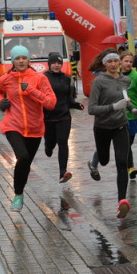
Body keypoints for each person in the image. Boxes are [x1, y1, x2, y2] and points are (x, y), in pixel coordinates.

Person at [0, 45, 57, 212]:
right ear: (13, 61)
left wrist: (31, 90)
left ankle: (19, 192)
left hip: (35, 128)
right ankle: (18, 194)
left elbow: (50, 103)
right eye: (17, 58)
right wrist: (0, 102)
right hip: (12, 125)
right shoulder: (7, 78)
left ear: (29, 60)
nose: (21, 61)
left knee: (26, 162)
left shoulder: (39, 78)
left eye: (24, 58)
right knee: (22, 156)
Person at [86, 51, 133, 217]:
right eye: (110, 62)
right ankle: (94, 163)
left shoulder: (125, 80)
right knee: (104, 160)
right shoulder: (99, 81)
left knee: (122, 163)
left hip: (121, 126)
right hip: (102, 127)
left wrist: (132, 108)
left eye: (116, 61)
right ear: (105, 64)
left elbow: (125, 100)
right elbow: (91, 109)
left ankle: (122, 202)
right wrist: (113, 107)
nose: (113, 64)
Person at [42, 52, 84, 183]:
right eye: (54, 63)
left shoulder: (66, 79)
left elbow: (68, 98)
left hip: (64, 115)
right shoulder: (43, 78)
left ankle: (62, 172)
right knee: (51, 142)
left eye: (59, 63)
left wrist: (76, 105)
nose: (56, 65)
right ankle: (48, 147)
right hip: (48, 116)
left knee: (63, 142)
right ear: (49, 64)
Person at [120, 52, 137, 180]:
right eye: (126, 61)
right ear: (120, 61)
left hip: (132, 116)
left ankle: (126, 165)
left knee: (128, 143)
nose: (128, 64)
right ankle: (130, 167)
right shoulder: (116, 76)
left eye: (131, 61)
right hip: (118, 116)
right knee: (124, 143)